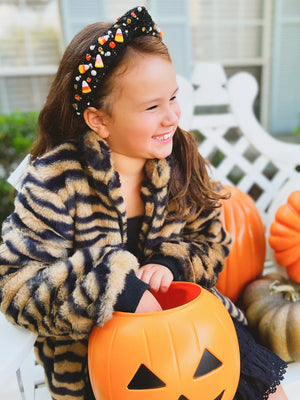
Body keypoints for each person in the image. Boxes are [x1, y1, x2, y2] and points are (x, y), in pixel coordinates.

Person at [0, 6, 287, 400]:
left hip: (192, 331)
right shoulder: (58, 182)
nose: (171, 117)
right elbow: (16, 285)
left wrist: (171, 263)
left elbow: (213, 240)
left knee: (268, 393)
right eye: (152, 107)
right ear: (99, 120)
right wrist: (116, 289)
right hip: (105, 360)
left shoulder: (181, 158)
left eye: (173, 98)